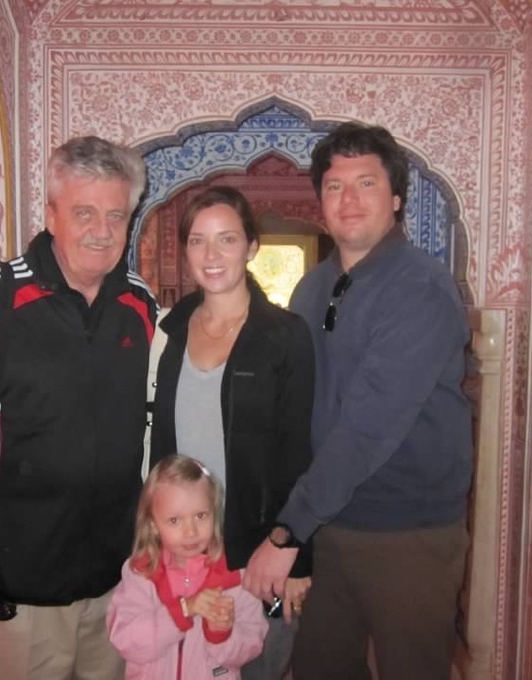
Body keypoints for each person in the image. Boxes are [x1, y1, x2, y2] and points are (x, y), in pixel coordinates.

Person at [0, 135, 158, 680]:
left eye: (116, 216)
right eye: (84, 212)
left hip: (114, 587)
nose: (101, 231)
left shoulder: (139, 305)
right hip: (13, 588)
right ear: (51, 215)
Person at [244, 121, 473, 679]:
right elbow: (293, 407)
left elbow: (369, 425)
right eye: (334, 186)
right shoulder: (313, 287)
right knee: (320, 666)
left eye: (366, 183)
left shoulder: (419, 288)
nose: (348, 199)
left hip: (406, 531)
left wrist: (288, 531)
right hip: (327, 525)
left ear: (396, 198)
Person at [148, 186, 315, 680]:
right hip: (182, 548)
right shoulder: (168, 330)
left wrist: (296, 556)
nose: (212, 255)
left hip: (256, 552)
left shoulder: (284, 335)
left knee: (256, 667)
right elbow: (157, 442)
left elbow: (299, 451)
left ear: (251, 247)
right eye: (198, 241)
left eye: (227, 239)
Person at [107, 454, 268, 679]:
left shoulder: (234, 574)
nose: (190, 532)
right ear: (153, 525)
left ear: (215, 513)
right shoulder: (141, 573)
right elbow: (126, 641)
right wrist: (183, 610)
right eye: (175, 520)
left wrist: (221, 634)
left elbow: (252, 644)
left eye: (201, 516)